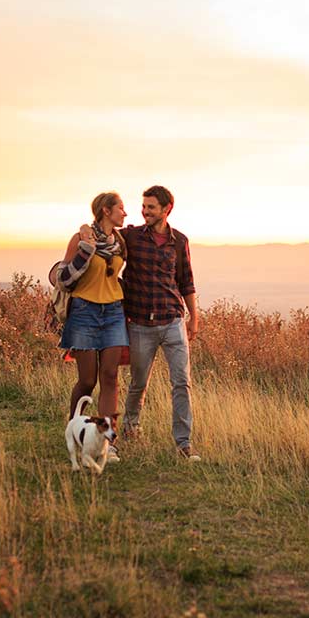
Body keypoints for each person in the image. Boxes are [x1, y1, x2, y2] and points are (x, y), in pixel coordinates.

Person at [119, 185, 201, 461]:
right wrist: (84, 229)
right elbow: (101, 232)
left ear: (166, 210)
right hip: (140, 323)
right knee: (139, 383)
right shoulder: (130, 236)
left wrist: (194, 318)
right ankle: (130, 427)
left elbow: (186, 281)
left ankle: (183, 443)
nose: (145, 211)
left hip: (173, 321)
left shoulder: (179, 241)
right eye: (144, 206)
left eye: (151, 207)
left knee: (181, 382)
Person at [58, 193, 129, 459]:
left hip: (113, 312)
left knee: (110, 377)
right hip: (84, 311)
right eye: (121, 209)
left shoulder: (120, 241)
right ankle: (74, 430)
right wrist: (86, 248)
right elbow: (62, 277)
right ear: (105, 211)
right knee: (87, 380)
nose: (125, 213)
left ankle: (107, 443)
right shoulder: (81, 240)